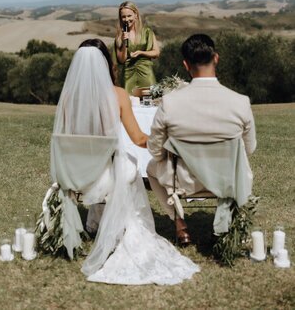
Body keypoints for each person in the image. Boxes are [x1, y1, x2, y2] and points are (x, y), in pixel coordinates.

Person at [53, 38, 199, 285]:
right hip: (106, 177)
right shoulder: (118, 95)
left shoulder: (67, 98)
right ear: (106, 64)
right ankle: (121, 223)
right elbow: (139, 138)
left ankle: (96, 220)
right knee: (129, 163)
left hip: (75, 174)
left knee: (123, 162)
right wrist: (164, 141)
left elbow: (67, 139)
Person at [147, 34, 257, 246]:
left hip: (184, 181)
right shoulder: (240, 102)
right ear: (216, 58)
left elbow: (156, 152)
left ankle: (179, 222)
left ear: (186, 64)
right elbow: (249, 149)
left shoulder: (170, 103)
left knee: (151, 168)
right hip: (227, 180)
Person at [114, 1, 160, 94]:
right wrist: (124, 43)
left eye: (129, 16)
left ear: (136, 14)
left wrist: (141, 53)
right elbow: (121, 60)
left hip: (146, 74)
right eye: (123, 17)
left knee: (150, 101)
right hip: (128, 76)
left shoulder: (147, 32)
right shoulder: (119, 36)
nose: (126, 19)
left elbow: (156, 53)